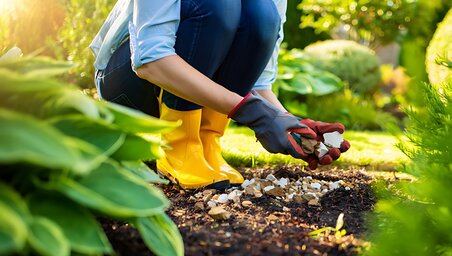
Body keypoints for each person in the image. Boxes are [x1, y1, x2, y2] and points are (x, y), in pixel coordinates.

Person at [90, 0, 350, 189]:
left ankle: (207, 143)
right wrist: (251, 113)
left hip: (165, 75)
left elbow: (257, 81)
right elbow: (150, 60)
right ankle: (180, 146)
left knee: (263, 14)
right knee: (218, 4)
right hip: (128, 86)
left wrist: (287, 123)